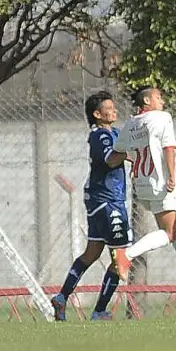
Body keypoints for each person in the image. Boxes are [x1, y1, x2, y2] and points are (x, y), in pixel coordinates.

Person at [111, 86, 176, 283]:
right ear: (147, 101)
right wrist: (172, 175)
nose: (162, 101)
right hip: (161, 181)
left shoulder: (131, 123)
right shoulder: (162, 117)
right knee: (168, 232)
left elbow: (117, 153)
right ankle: (126, 255)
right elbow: (169, 147)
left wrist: (133, 161)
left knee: (174, 224)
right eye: (158, 97)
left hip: (142, 182)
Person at [50, 91, 130, 321]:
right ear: (97, 114)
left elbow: (125, 154)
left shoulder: (114, 132)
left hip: (101, 200)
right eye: (109, 108)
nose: (114, 110)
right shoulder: (100, 136)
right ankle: (99, 311)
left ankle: (61, 298)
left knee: (92, 253)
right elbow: (111, 159)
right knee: (121, 257)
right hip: (107, 201)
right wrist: (129, 153)